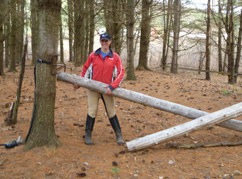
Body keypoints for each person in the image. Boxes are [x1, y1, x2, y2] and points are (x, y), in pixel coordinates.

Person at [73, 33, 125, 145]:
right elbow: (85, 70)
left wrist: (112, 86)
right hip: (93, 88)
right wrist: (79, 83)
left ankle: (119, 134)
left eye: (107, 41)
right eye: (103, 41)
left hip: (108, 89)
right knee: (92, 110)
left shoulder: (115, 57)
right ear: (100, 42)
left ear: (110, 42)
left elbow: (121, 73)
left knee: (111, 112)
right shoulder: (93, 55)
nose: (104, 43)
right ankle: (88, 135)